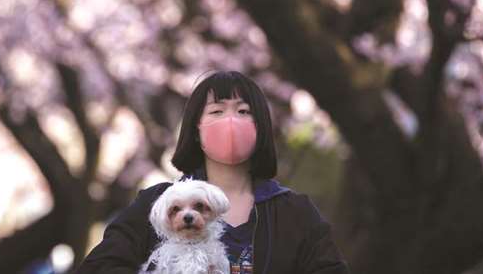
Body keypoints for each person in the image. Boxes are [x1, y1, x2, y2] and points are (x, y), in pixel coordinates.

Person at [76, 71, 349, 274]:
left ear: (262, 127)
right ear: (196, 128)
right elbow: (99, 267)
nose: (231, 121)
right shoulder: (156, 203)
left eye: (244, 111)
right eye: (217, 111)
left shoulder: (295, 213)